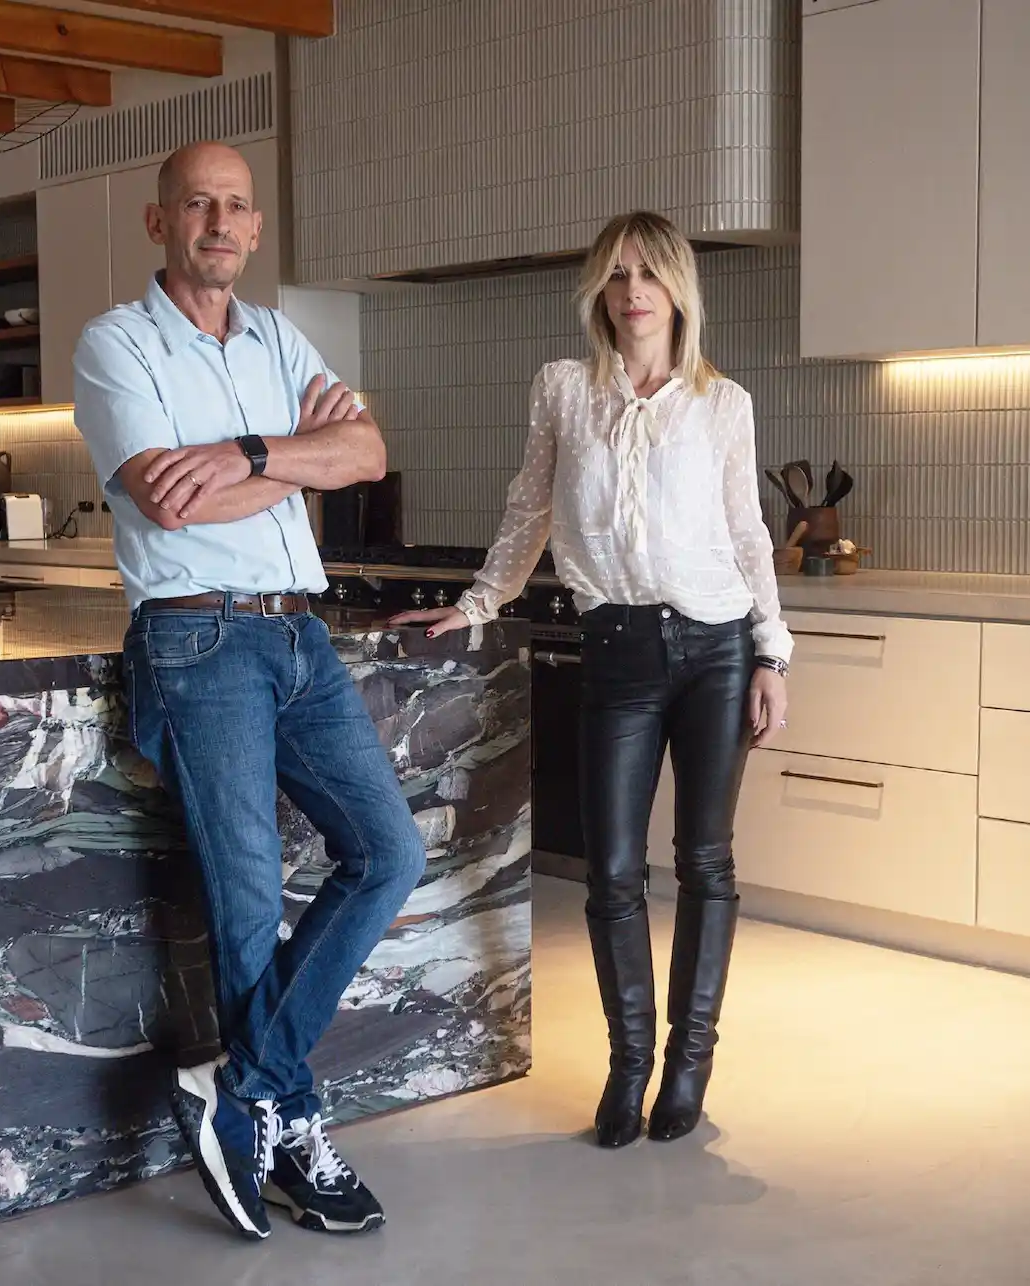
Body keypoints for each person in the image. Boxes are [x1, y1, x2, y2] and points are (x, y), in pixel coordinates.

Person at [72, 141, 426, 1240]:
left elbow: (365, 452)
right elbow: (169, 504)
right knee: (245, 902)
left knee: (390, 850)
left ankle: (243, 1088)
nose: (217, 222)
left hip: (297, 636)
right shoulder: (115, 343)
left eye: (235, 207)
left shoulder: (281, 339)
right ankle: (288, 1125)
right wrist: (286, 464)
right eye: (196, 204)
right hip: (195, 640)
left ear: (255, 228)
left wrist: (241, 450)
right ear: (159, 221)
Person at [393, 210, 793, 1149]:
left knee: (706, 860)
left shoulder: (720, 403)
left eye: (649, 274)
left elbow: (747, 534)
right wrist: (479, 603)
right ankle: (630, 1067)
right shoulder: (563, 391)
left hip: (715, 646)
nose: (632, 292)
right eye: (616, 276)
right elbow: (528, 508)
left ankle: (689, 1067)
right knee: (612, 870)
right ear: (599, 294)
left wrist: (772, 650)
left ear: (678, 288)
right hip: (617, 649)